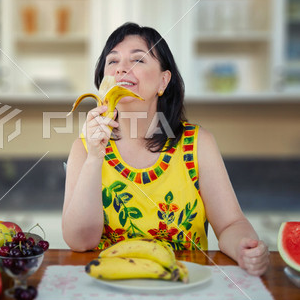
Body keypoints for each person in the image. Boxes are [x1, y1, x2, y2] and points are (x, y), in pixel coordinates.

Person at [62, 22, 269, 276]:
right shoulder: (83, 149)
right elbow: (80, 242)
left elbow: (231, 224)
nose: (121, 68)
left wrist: (244, 247)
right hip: (110, 290)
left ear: (163, 80)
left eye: (138, 60)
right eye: (112, 61)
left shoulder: (198, 143)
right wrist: (95, 157)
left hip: (186, 285)